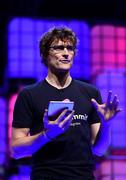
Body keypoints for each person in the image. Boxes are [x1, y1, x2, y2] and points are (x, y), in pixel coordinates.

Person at [11, 26, 121, 180]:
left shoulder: (91, 93)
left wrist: (106, 124)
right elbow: (16, 150)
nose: (66, 53)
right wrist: (47, 135)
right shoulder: (29, 94)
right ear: (45, 54)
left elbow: (99, 150)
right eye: (59, 47)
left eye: (70, 48)